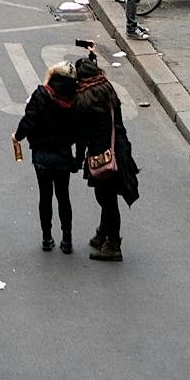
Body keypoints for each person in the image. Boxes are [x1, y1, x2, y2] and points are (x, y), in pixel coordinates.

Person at [72, 49, 138, 261]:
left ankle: (113, 244)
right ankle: (103, 233)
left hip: (102, 152)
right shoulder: (107, 89)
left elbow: (82, 136)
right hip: (120, 147)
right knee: (108, 196)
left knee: (106, 199)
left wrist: (77, 158)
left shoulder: (83, 100)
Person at [13, 60, 78, 255]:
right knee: (63, 197)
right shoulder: (74, 97)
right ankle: (67, 240)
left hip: (42, 155)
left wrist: (17, 137)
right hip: (63, 154)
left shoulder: (41, 94)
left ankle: (47, 237)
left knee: (45, 196)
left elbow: (29, 120)